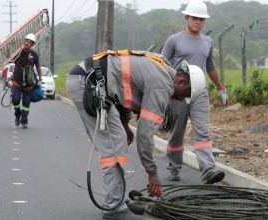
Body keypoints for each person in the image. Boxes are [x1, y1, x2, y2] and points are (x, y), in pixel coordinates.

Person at [65, 50, 206, 220]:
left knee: (116, 143)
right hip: (89, 85)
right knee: (113, 148)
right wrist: (152, 173)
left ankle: (117, 200)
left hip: (92, 80)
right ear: (181, 81)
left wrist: (125, 124)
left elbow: (122, 85)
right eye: (186, 95)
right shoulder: (162, 85)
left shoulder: (162, 67)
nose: (182, 100)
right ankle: (113, 209)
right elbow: (145, 135)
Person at [161, 0, 228, 184]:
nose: (198, 22)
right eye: (195, 18)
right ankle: (174, 167)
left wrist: (220, 87)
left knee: (203, 132)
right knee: (176, 132)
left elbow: (210, 66)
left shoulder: (207, 41)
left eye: (201, 19)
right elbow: (162, 64)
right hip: (179, 93)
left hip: (200, 92)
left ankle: (208, 170)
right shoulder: (174, 40)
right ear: (186, 18)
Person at [11, 33, 42, 129]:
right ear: (23, 41)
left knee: (26, 103)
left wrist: (40, 78)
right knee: (15, 100)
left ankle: (24, 121)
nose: (27, 43)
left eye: (30, 42)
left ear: (32, 44)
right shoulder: (17, 53)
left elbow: (38, 67)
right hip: (17, 82)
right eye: (26, 41)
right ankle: (17, 114)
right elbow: (8, 59)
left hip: (29, 83)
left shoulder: (34, 55)